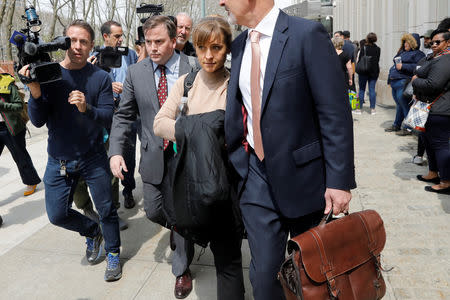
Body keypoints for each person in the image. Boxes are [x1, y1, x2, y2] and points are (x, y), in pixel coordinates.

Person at [219, 1, 356, 299]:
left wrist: (339, 181)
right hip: (254, 177)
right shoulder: (240, 44)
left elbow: (334, 112)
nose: (221, 1)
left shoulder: (307, 35)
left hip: (306, 180)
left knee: (313, 274)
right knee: (265, 277)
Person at [19, 19, 122, 282]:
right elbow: (39, 120)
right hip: (60, 159)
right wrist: (34, 90)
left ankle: (112, 252)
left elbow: (108, 117)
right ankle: (91, 231)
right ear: (64, 42)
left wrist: (86, 108)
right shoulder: (49, 74)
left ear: (91, 46)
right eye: (72, 40)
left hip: (93, 156)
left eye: (83, 42)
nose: (77, 46)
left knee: (107, 208)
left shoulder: (101, 77)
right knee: (57, 214)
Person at [154, 16, 245, 300]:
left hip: (223, 187)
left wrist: (197, 129)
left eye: (216, 48)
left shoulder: (235, 87)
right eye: (202, 47)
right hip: (190, 184)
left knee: (228, 262)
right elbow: (159, 123)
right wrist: (199, 130)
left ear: (227, 49)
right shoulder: (186, 83)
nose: (208, 55)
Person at [108, 16, 199, 299]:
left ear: (174, 40)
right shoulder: (136, 72)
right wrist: (115, 152)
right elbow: (124, 116)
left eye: (159, 41)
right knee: (155, 211)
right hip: (152, 156)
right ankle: (176, 227)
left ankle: (182, 270)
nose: (153, 47)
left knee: (183, 214)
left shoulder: (194, 67)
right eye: (148, 42)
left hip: (187, 156)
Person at [413, 29, 450, 194]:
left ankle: (446, 181)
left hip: (440, 109)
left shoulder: (445, 60)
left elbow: (432, 84)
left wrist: (415, 81)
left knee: (440, 145)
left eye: (438, 42)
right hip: (429, 108)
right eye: (432, 42)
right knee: (427, 141)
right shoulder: (436, 57)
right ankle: (433, 173)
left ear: (448, 43)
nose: (433, 44)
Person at [0, 73, 41, 196]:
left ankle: (31, 181)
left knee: (20, 157)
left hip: (10, 128)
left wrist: (2, 105)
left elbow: (19, 106)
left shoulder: (7, 83)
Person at [385, 33, 425, 134]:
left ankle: (408, 128)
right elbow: (394, 66)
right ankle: (396, 125)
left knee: (404, 105)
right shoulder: (402, 52)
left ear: (413, 43)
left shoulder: (418, 54)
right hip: (395, 82)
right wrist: (389, 80)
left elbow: (418, 67)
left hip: (403, 82)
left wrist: (403, 66)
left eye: (407, 42)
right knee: (399, 105)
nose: (405, 44)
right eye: (404, 42)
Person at [357, 32, 381, 115]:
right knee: (372, 90)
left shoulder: (363, 48)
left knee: (361, 89)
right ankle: (373, 109)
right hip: (374, 71)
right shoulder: (378, 49)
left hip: (363, 71)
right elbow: (377, 60)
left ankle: (359, 109)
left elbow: (360, 59)